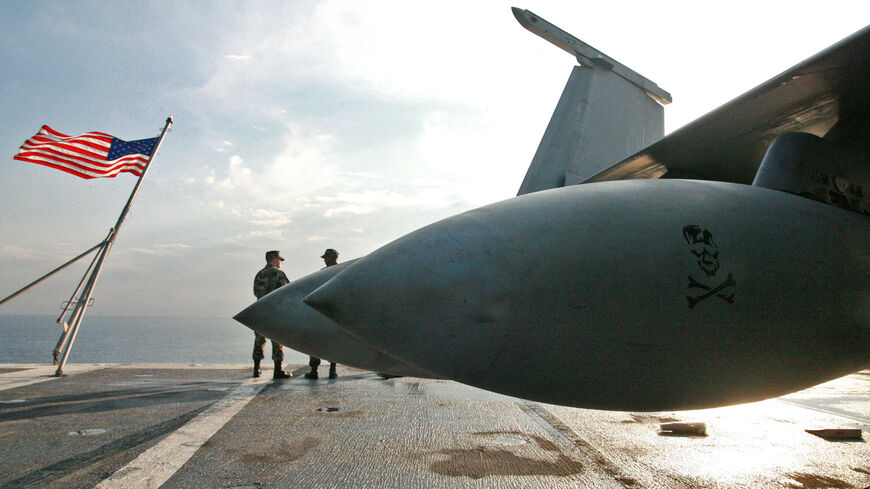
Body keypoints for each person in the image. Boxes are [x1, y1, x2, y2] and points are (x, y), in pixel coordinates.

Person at [252, 250, 292, 379]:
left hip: (260, 312)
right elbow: (288, 291)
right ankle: (278, 370)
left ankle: (256, 369)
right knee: (277, 341)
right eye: (279, 259)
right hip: (275, 313)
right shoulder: (279, 274)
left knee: (259, 340)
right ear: (274, 259)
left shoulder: (259, 274)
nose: (280, 262)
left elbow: (255, 292)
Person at [305, 248, 340, 380]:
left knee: (315, 340)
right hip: (334, 313)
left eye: (326, 257)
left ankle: (314, 370)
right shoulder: (342, 271)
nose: (324, 260)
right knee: (333, 340)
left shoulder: (322, 274)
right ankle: (332, 370)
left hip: (321, 313)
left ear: (331, 257)